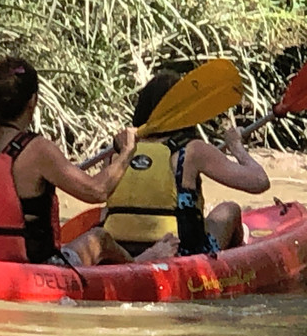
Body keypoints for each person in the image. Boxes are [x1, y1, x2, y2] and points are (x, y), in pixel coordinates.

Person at [0, 56, 178, 267]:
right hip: (32, 268)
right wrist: (126, 152)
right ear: (32, 101)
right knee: (99, 238)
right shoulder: (37, 150)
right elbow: (98, 191)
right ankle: (141, 262)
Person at [103, 69, 270, 257]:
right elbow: (260, 182)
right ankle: (238, 256)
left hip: (120, 253)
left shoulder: (119, 151)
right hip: (179, 252)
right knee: (229, 210)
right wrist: (236, 146)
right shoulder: (193, 150)